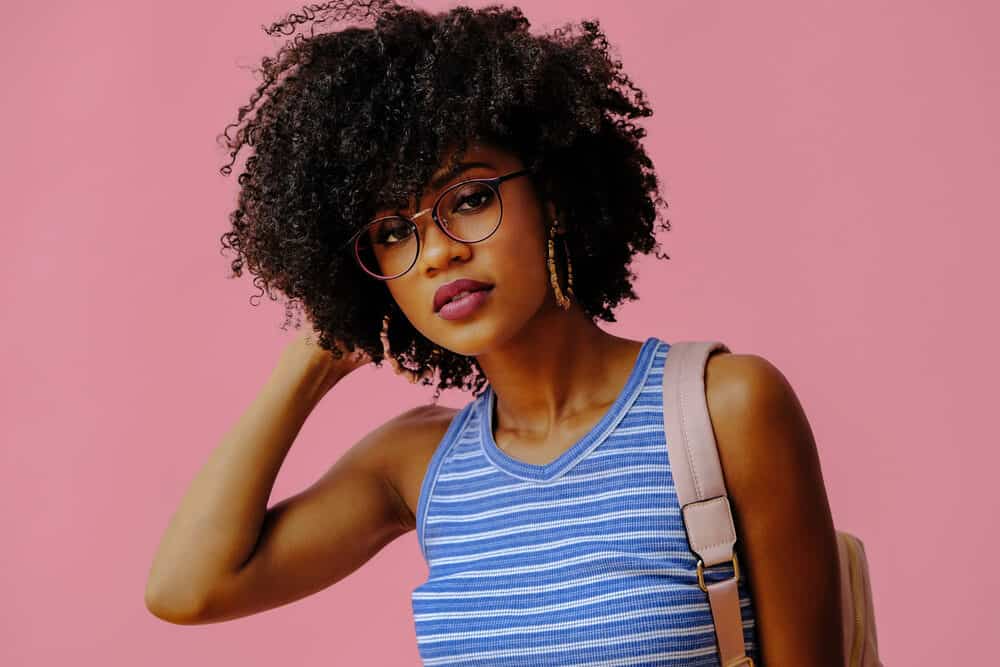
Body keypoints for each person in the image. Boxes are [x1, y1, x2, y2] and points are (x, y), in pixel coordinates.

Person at [145, 1, 845, 664]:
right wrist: (310, 359)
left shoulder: (725, 407)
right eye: (394, 232)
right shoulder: (416, 464)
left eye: (471, 198)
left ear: (554, 196)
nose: (440, 251)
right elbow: (186, 587)